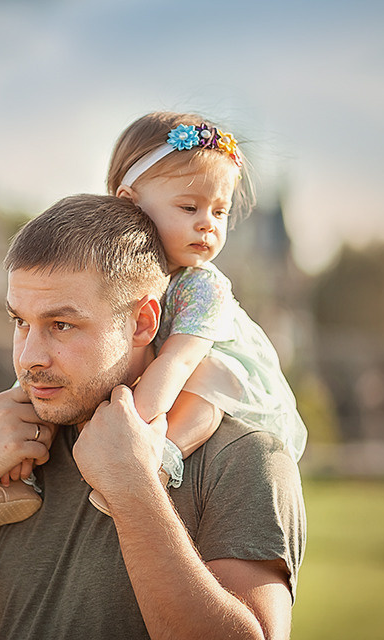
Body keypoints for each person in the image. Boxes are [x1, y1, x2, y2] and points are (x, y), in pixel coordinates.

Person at [0, 194, 306, 640]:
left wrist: (134, 489)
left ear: (142, 323)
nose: (29, 357)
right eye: (20, 322)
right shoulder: (10, 457)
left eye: (61, 325)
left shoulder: (245, 459)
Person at [84, 111, 308, 513]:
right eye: (189, 207)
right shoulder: (110, 273)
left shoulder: (203, 285)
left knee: (212, 377)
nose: (208, 224)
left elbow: (178, 360)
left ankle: (157, 462)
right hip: (157, 379)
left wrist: (127, 428)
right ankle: (14, 471)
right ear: (130, 203)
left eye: (219, 212)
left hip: (204, 377)